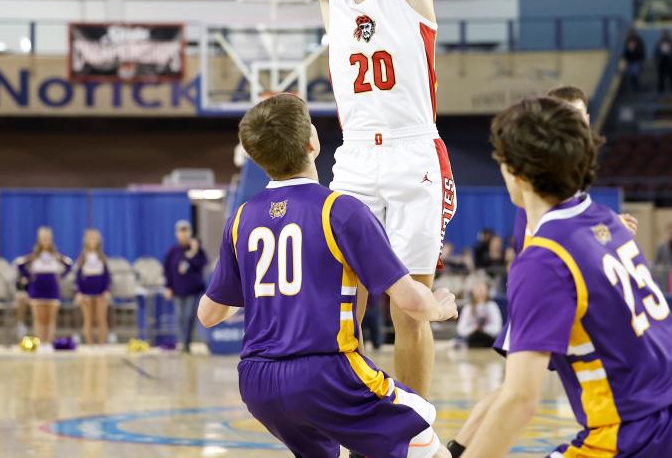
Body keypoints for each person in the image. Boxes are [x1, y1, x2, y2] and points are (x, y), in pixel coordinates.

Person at [200, 0, 456, 399]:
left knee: (410, 309)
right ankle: (348, 410)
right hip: (355, 161)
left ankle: (415, 432)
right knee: (340, 297)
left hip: (414, 155)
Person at [450, 97, 672, 458]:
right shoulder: (607, 221)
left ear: (516, 172)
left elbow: (520, 399)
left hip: (636, 431)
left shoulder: (542, 259)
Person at [198, 94, 456, 458]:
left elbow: (208, 316)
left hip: (258, 383)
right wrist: (441, 307)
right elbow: (412, 301)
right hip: (326, 375)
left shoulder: (240, 219)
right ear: (313, 143)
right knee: (427, 438)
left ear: (257, 157)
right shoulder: (341, 210)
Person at [509, 86, 638, 260]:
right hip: (538, 259)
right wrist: (607, 226)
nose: (573, 123)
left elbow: (573, 219)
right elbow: (559, 227)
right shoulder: (545, 164)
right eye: (566, 116)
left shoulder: (576, 162)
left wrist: (607, 223)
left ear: (587, 119)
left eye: (578, 116)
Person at [16, 227, 73, 351]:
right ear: (39, 239)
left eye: (48, 238)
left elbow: (69, 265)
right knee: (39, 318)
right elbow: (19, 264)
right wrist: (29, 276)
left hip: (52, 287)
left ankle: (49, 343)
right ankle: (41, 343)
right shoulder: (34, 254)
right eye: (43, 238)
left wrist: (61, 276)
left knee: (50, 318)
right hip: (37, 288)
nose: (46, 240)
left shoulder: (56, 254)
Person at [163, 220, 208, 353]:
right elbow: (167, 270)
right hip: (178, 290)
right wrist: (168, 287)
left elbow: (201, 265)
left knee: (189, 317)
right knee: (180, 317)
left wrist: (194, 251)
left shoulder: (197, 249)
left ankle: (187, 343)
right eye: (180, 231)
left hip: (193, 291)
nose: (183, 234)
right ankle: (182, 342)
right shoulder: (173, 251)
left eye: (185, 231)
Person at [74, 229, 112, 345]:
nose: (92, 241)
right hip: (86, 292)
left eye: (94, 238)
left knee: (101, 319)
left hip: (100, 291)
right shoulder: (82, 257)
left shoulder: (102, 257)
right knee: (88, 320)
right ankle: (90, 345)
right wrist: (80, 292)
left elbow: (107, 276)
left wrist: (106, 290)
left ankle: (101, 345)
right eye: (89, 238)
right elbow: (78, 276)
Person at [455, 281, 503, 349]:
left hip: (489, 341)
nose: (480, 292)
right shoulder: (468, 307)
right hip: (470, 341)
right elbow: (460, 329)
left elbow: (497, 327)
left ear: (487, 291)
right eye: (478, 290)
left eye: (482, 290)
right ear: (473, 292)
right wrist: (473, 329)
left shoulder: (492, 306)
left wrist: (483, 330)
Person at [655, 29, 672, 94]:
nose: (665, 36)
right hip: (662, 62)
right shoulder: (659, 43)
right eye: (664, 34)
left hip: (671, 62)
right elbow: (656, 52)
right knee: (661, 77)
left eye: (666, 34)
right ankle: (661, 90)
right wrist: (657, 59)